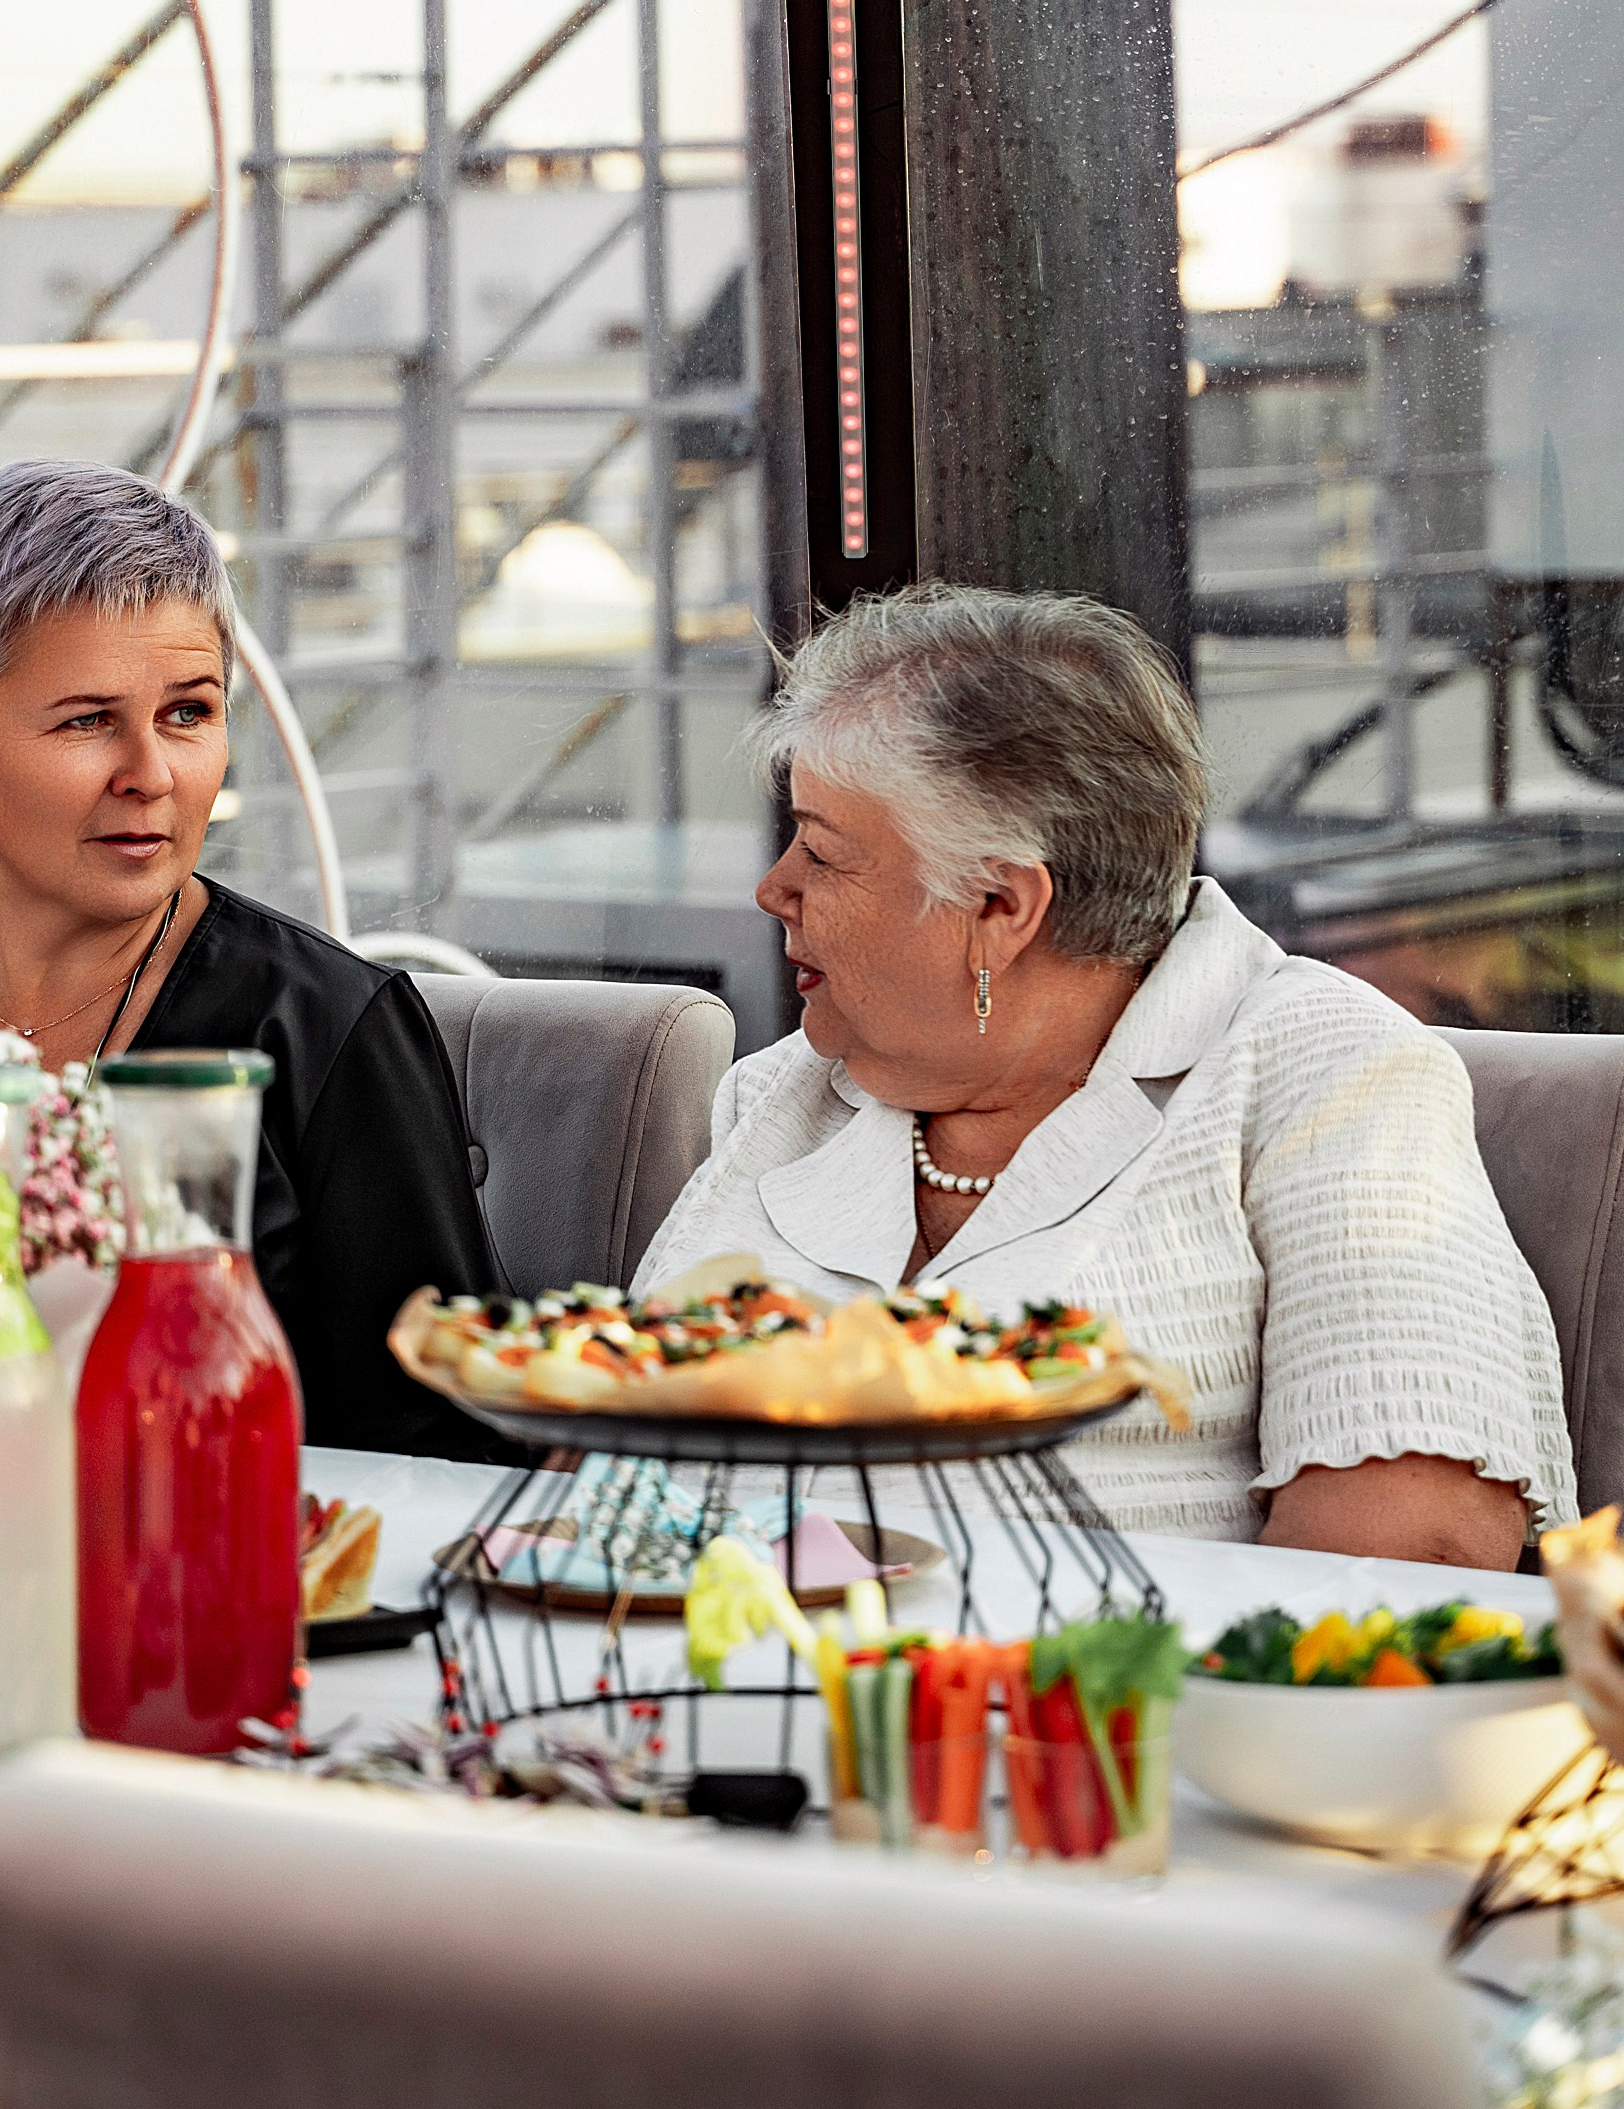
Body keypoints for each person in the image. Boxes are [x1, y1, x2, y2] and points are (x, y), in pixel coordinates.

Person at [635, 584, 1577, 1558]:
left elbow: (1409, 1545)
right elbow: (605, 1471)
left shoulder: (1325, 1072)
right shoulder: (782, 1092)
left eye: (821, 853)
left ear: (1000, 904)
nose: (770, 886)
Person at [0, 461, 497, 1458]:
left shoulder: (328, 1031)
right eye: (88, 720)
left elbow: (441, 1453)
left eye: (188, 712)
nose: (150, 773)